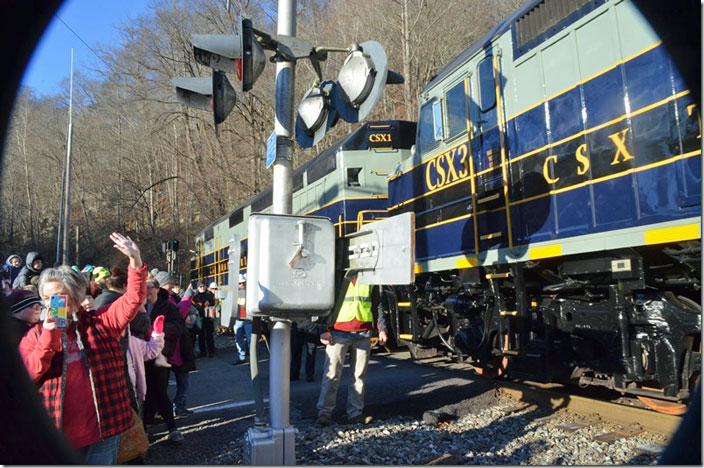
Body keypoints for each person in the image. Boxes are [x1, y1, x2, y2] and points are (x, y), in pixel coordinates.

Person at [18, 233, 147, 464]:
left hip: (103, 432)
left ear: (75, 296)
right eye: (46, 298)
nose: (51, 304)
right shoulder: (34, 335)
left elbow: (133, 300)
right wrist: (49, 336)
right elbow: (29, 374)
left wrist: (135, 262)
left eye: (58, 297)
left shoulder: (101, 323)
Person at [315, 275, 390, 425]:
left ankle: (355, 414)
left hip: (362, 333)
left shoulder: (369, 278)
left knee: (359, 376)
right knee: (331, 375)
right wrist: (322, 329)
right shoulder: (338, 277)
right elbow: (323, 302)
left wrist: (381, 328)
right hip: (337, 333)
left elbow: (377, 304)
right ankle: (325, 413)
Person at [143, 277, 185, 443]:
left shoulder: (168, 306)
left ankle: (172, 428)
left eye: (150, 287)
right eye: (143, 287)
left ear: (157, 289)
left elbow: (178, 327)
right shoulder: (139, 305)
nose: (146, 290)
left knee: (159, 392)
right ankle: (145, 428)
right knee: (144, 393)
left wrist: (157, 329)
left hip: (160, 356)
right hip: (141, 355)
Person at [153, 271, 196, 417]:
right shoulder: (165, 300)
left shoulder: (163, 299)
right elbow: (179, 315)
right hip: (173, 348)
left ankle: (163, 409)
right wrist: (186, 297)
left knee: (166, 383)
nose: (172, 286)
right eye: (170, 283)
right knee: (182, 381)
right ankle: (177, 407)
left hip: (170, 348)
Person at [192, 281, 216, 358]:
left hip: (208, 317)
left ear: (205, 286)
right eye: (200, 286)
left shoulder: (210, 295)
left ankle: (211, 351)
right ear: (198, 287)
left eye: (203, 286)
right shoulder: (195, 296)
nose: (202, 288)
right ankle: (203, 352)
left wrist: (213, 315)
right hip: (199, 318)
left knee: (209, 335)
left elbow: (213, 305)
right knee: (201, 336)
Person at [233, 274, 252, 364]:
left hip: (248, 319)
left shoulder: (250, 293)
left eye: (243, 283)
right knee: (238, 339)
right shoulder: (234, 294)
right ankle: (242, 358)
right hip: (238, 320)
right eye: (240, 283)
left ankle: (253, 361)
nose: (241, 285)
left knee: (250, 340)